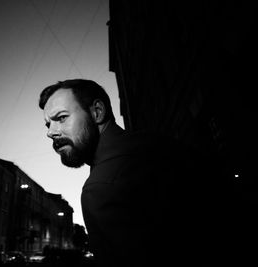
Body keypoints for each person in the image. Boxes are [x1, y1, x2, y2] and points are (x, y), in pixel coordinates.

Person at [39, 79, 230, 266]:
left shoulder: (100, 188)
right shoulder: (159, 142)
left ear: (97, 112)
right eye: (48, 124)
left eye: (62, 118)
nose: (51, 132)